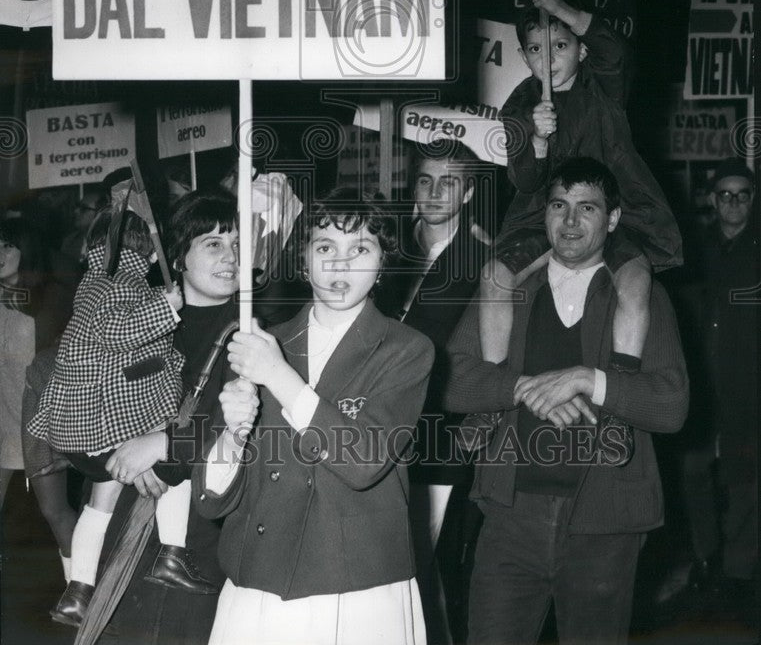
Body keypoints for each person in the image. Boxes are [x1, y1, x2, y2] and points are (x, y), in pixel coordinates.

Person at [445, 157, 689, 645]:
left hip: (605, 522)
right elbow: (451, 381)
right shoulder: (512, 288)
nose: (571, 222)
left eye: (587, 209)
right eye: (559, 206)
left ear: (613, 220)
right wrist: (520, 387)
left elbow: (671, 406)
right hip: (511, 515)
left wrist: (588, 380)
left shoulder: (640, 295)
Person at [194, 189, 435, 645]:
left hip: (354, 587)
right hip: (259, 584)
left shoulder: (406, 350)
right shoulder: (262, 343)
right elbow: (212, 501)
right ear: (303, 261)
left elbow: (362, 461)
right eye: (325, 248)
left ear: (383, 264)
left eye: (360, 249)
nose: (340, 265)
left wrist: (279, 377)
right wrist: (231, 437)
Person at [467, 0, 682, 457]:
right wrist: (537, 142)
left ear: (582, 50)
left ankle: (617, 404)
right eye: (536, 50)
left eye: (560, 46)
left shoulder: (604, 84)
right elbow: (524, 181)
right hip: (542, 215)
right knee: (494, 276)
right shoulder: (520, 106)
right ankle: (495, 395)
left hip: (614, 212)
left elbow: (616, 49)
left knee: (636, 280)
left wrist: (560, 7)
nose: (548, 59)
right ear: (523, 57)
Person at [28, 206, 214, 626]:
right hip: (108, 423)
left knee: (101, 504)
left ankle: (77, 592)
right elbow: (117, 332)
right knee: (174, 467)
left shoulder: (91, 283)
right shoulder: (124, 286)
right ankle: (172, 553)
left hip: (81, 434)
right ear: (152, 256)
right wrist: (166, 307)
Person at [97, 189, 241, 645]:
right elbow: (85, 395)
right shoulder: (136, 318)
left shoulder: (250, 327)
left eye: (238, 244)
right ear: (177, 257)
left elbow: (254, 428)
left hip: (204, 524)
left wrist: (162, 445)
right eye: (214, 244)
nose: (231, 256)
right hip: (126, 513)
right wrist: (121, 449)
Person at [380, 141, 490, 644]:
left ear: (467, 192)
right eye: (425, 180)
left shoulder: (484, 261)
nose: (435, 192)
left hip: (439, 434)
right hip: (373, 428)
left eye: (449, 182)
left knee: (426, 565)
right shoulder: (383, 247)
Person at [676, 157, 758, 616]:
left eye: (741, 194)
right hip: (699, 386)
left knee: (745, 479)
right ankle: (706, 556)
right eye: (724, 195)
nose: (732, 203)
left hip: (748, 384)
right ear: (712, 200)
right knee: (693, 474)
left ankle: (740, 571)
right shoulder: (692, 250)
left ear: (752, 199)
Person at [1, 215, 72, 510]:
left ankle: (78, 559)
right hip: (4, 422)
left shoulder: (51, 298)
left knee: (55, 514)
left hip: (40, 425)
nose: (0, 254)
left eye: (7, 246)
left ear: (26, 249)